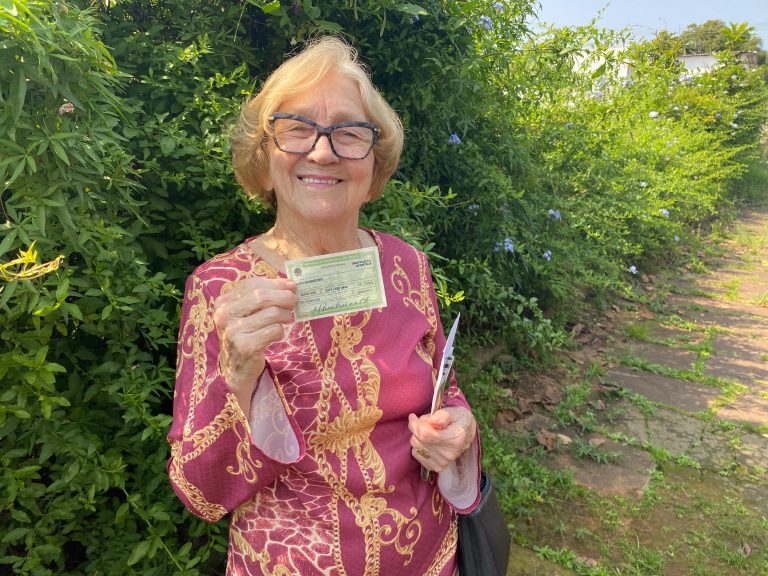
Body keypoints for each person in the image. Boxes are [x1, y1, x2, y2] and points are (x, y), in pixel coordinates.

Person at [167, 36, 480, 576]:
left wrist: (459, 427)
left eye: (349, 133)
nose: (322, 151)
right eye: (297, 128)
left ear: (373, 163)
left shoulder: (407, 265)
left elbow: (444, 389)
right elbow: (201, 494)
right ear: (264, 157)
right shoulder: (220, 289)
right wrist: (236, 378)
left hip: (430, 559)